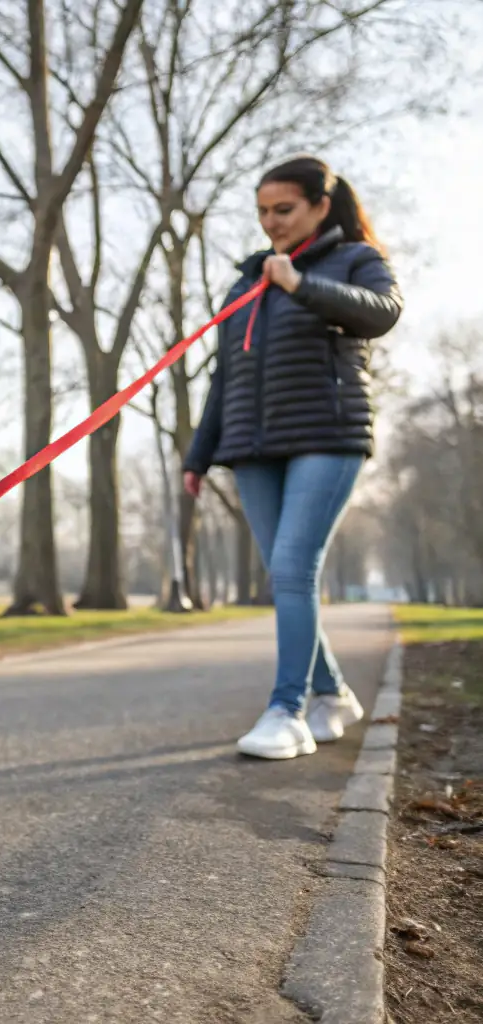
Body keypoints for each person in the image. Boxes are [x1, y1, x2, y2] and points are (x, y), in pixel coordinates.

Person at [182, 154, 403, 760]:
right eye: (262, 212)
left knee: (292, 566)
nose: (271, 222)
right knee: (287, 576)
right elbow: (225, 378)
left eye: (284, 209)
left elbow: (381, 313)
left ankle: (288, 711)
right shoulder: (245, 282)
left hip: (326, 438)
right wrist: (198, 455)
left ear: (319, 206)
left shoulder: (355, 260)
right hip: (251, 447)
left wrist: (300, 285)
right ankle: (334, 696)